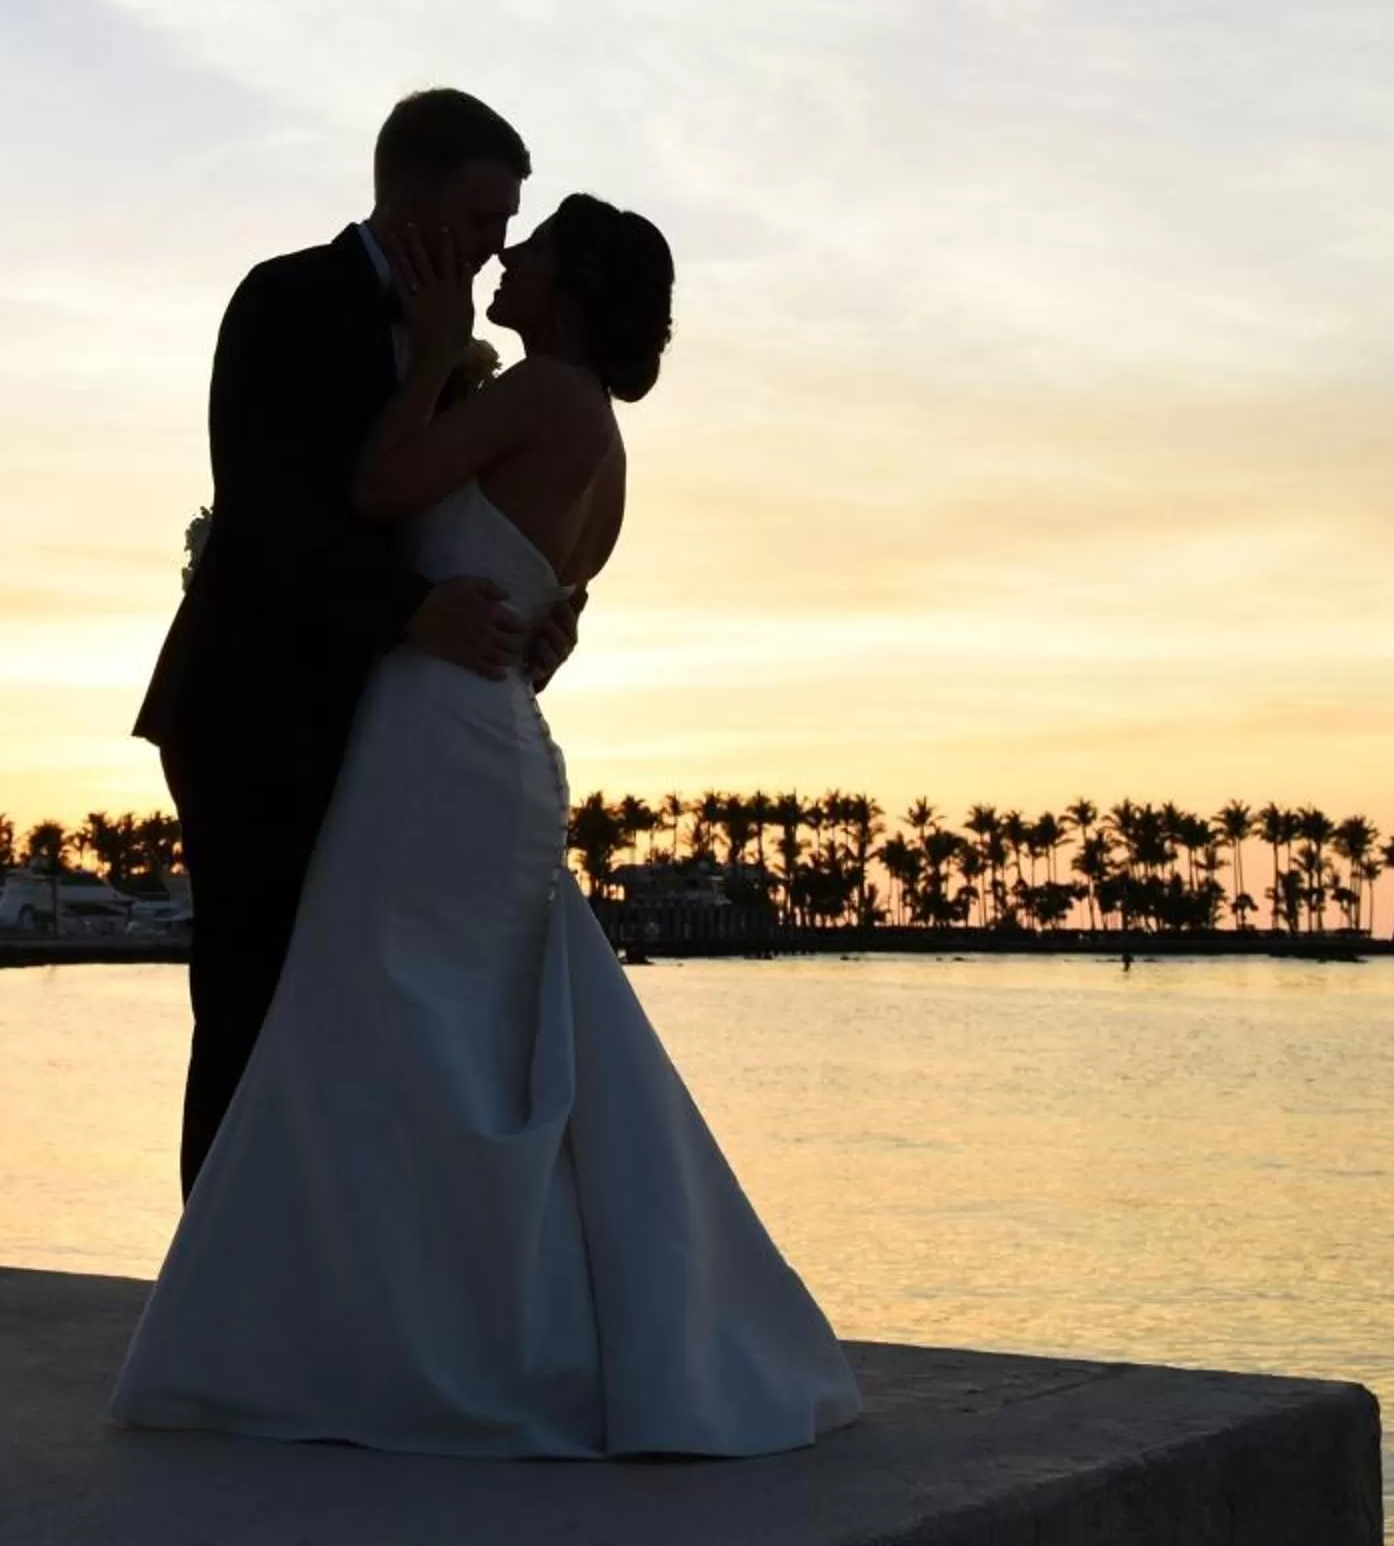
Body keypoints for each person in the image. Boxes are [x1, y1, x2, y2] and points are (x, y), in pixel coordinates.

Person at [113, 192, 862, 1458]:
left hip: (430, 748)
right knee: (457, 1041)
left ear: (568, 290)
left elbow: (378, 484)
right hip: (496, 738)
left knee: (382, 1026)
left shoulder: (542, 391)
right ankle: (446, 1321)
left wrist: (438, 337)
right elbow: (541, 634)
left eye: (533, 248)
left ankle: (407, 1341)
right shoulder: (605, 449)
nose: (506, 259)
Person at [135, 89, 576, 1197]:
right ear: (407, 193)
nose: (497, 245)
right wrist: (405, 609)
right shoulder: (287, 300)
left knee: (370, 1007)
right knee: (251, 998)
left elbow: (464, 517)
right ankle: (217, 1297)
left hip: (391, 725)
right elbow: (268, 507)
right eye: (483, 215)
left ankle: (336, 1282)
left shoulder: (461, 354)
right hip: (254, 707)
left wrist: (539, 599)